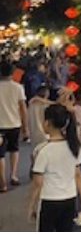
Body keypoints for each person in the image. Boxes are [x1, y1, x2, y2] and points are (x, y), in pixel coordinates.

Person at [27, 104, 81, 231]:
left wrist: (31, 205)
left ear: (47, 123)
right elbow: (78, 175)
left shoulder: (42, 150)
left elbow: (37, 182)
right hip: (70, 199)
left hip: (49, 200)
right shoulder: (74, 147)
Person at [0, 59, 28, 190]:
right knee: (14, 150)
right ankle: (13, 175)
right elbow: (23, 108)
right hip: (14, 124)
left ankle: (2, 182)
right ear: (12, 73)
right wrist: (25, 127)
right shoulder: (18, 87)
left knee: (0, 155)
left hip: (0, 126)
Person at [27, 85, 51, 151]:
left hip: (33, 132)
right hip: (45, 133)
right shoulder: (47, 105)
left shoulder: (31, 105)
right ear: (46, 94)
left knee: (35, 152)